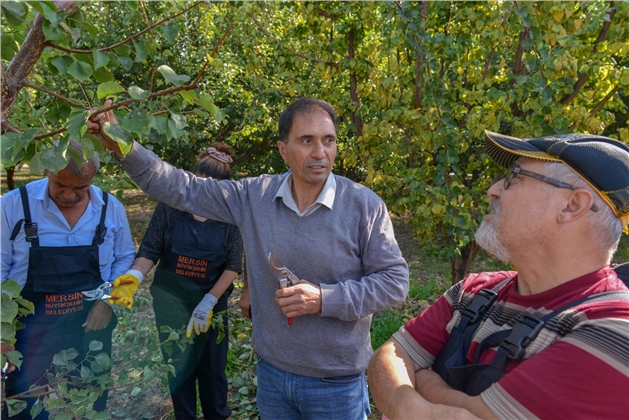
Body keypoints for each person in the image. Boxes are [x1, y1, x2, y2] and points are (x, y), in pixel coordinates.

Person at [88, 97, 409, 419]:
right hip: (272, 376)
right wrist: (120, 142)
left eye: (329, 140)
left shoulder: (363, 206)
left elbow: (395, 282)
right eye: (306, 140)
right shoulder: (255, 197)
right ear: (283, 150)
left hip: (335, 383)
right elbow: (180, 188)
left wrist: (325, 298)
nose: (320, 152)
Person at [367, 130, 629, 419]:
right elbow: (388, 356)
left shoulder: (614, 330)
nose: (493, 190)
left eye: (514, 176)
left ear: (571, 206)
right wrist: (411, 408)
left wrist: (425, 380)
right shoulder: (474, 291)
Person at [1, 139, 136, 419]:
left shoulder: (111, 208)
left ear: (93, 178)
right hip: (28, 328)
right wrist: (3, 334)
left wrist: (108, 302)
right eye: (60, 185)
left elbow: (125, 258)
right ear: (48, 171)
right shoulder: (13, 206)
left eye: (80, 188)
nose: (69, 195)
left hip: (89, 324)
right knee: (24, 401)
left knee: (90, 397)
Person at [114, 143, 243, 419]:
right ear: (192, 180)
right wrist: (133, 277)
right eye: (198, 188)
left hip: (211, 307)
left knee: (213, 371)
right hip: (170, 304)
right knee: (178, 369)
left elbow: (233, 264)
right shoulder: (171, 207)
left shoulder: (232, 215)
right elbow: (150, 249)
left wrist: (209, 301)